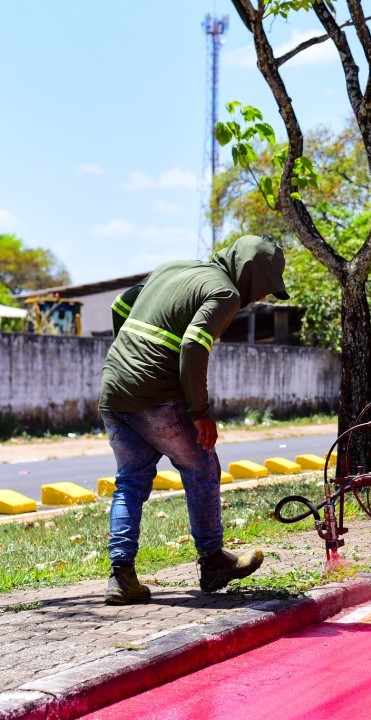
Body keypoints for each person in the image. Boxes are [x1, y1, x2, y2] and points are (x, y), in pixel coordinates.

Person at [99, 235, 289, 605]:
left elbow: (119, 305)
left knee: (130, 481)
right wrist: (200, 413)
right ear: (249, 273)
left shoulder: (173, 267)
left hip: (114, 388)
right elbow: (193, 345)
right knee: (202, 464)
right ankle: (214, 560)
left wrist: (128, 356)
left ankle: (121, 576)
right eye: (264, 288)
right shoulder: (225, 294)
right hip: (157, 395)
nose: (262, 298)